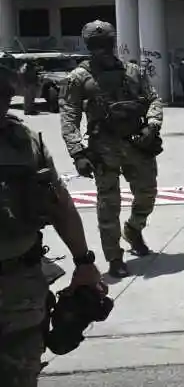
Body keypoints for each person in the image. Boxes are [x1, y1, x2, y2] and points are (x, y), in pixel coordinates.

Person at [0, 65, 102, 387]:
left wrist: (84, 261)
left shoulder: (23, 141)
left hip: (19, 289)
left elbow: (58, 203)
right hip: (20, 289)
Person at [60, 21, 162, 279]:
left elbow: (153, 99)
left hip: (138, 143)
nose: (101, 49)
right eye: (95, 45)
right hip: (103, 149)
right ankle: (114, 257)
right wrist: (77, 152)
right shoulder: (79, 78)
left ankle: (134, 229)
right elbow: (69, 116)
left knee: (147, 195)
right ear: (88, 46)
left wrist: (152, 125)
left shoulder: (133, 71)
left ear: (113, 43)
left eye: (105, 43)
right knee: (108, 205)